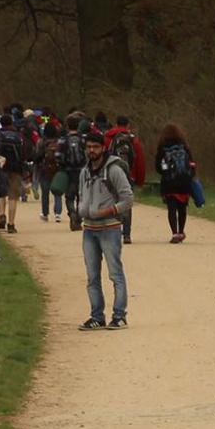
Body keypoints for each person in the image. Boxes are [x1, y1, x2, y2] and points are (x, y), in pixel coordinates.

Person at [76, 130, 135, 330]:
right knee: (92, 276)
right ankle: (96, 316)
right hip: (88, 228)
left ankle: (119, 315)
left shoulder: (114, 170)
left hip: (109, 227)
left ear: (103, 148)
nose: (91, 151)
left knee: (115, 273)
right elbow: (81, 194)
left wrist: (109, 211)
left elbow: (128, 199)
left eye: (95, 147)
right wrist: (81, 210)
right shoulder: (84, 171)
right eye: (89, 147)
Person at [155, 125, 198, 242]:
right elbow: (192, 164)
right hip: (184, 182)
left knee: (172, 208)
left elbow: (158, 167)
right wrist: (190, 176)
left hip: (169, 182)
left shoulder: (162, 147)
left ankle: (174, 233)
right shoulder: (184, 146)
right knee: (182, 208)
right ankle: (181, 231)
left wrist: (165, 172)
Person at [107, 116, 145, 244]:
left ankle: (113, 231)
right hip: (129, 175)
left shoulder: (108, 138)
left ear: (115, 124)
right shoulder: (133, 140)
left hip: (111, 174)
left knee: (112, 201)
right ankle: (127, 234)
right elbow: (139, 161)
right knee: (127, 202)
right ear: (128, 125)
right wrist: (140, 179)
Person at [0, 120, 26, 234]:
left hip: (1, 167)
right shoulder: (18, 137)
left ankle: (2, 214)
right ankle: (11, 224)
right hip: (16, 169)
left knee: (1, 193)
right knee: (13, 197)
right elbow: (23, 154)